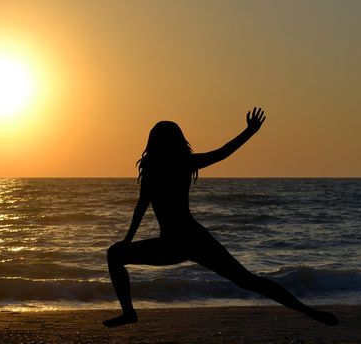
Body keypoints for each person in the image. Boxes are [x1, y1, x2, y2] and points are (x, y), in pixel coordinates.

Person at [103, 107, 338, 327]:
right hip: (189, 239)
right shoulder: (178, 164)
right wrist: (249, 131)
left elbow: (140, 208)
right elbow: (142, 207)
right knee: (247, 280)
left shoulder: (164, 167)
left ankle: (129, 312)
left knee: (116, 254)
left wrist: (128, 240)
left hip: (178, 242)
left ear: (152, 142)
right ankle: (309, 312)